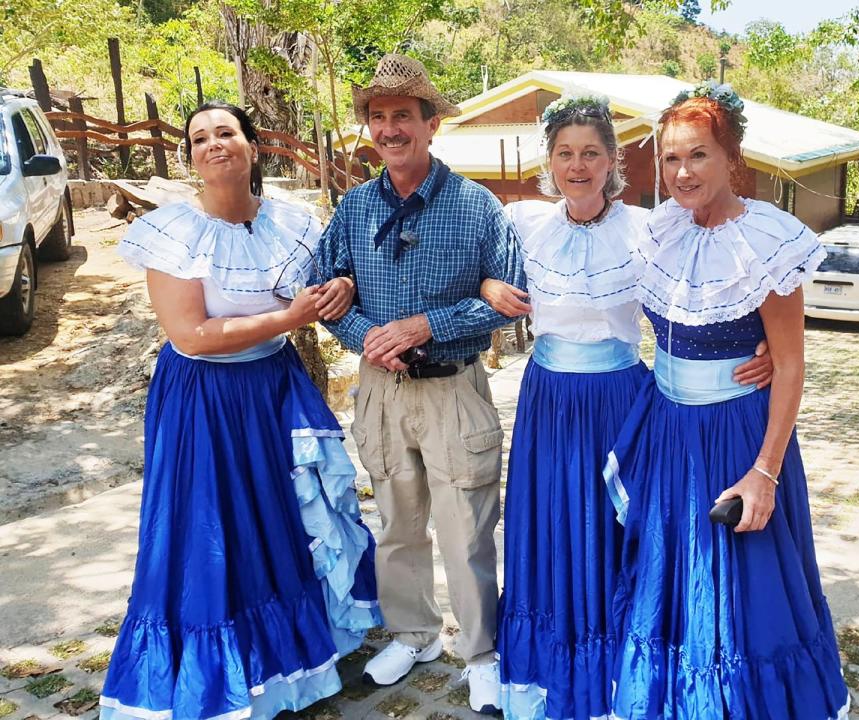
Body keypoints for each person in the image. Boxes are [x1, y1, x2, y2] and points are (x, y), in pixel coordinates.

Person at [479, 93, 773, 720]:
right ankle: (554, 669)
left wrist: (765, 347)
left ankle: (620, 673)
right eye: (565, 154)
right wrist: (486, 284)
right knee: (553, 527)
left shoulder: (651, 228)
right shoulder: (522, 224)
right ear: (549, 161)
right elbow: (482, 273)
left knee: (618, 530)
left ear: (614, 160)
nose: (577, 165)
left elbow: (718, 287)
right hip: (548, 403)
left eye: (591, 153)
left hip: (622, 401)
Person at [99, 101, 380, 720]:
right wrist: (288, 317)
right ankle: (213, 673)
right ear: (191, 157)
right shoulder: (173, 230)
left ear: (253, 146)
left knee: (279, 521)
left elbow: (329, 282)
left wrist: (343, 288)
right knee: (209, 530)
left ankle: (289, 660)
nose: (213, 144)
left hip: (273, 387)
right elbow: (190, 335)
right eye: (200, 138)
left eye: (225, 132)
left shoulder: (293, 222)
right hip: (204, 398)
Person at [603, 81, 850, 719]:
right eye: (670, 158)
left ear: (731, 157)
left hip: (739, 435)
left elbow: (790, 365)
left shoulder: (767, 240)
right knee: (672, 578)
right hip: (668, 433)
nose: (682, 171)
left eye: (699, 155)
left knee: (747, 591)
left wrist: (765, 471)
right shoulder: (660, 230)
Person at [317, 54, 525, 714]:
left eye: (402, 116)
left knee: (466, 526)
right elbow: (324, 293)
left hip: (453, 389)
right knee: (398, 523)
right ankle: (414, 633)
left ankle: (482, 652)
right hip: (381, 391)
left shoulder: (477, 206)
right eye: (377, 118)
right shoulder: (352, 208)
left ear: (431, 124)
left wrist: (421, 326)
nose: (389, 129)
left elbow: (510, 300)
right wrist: (369, 339)